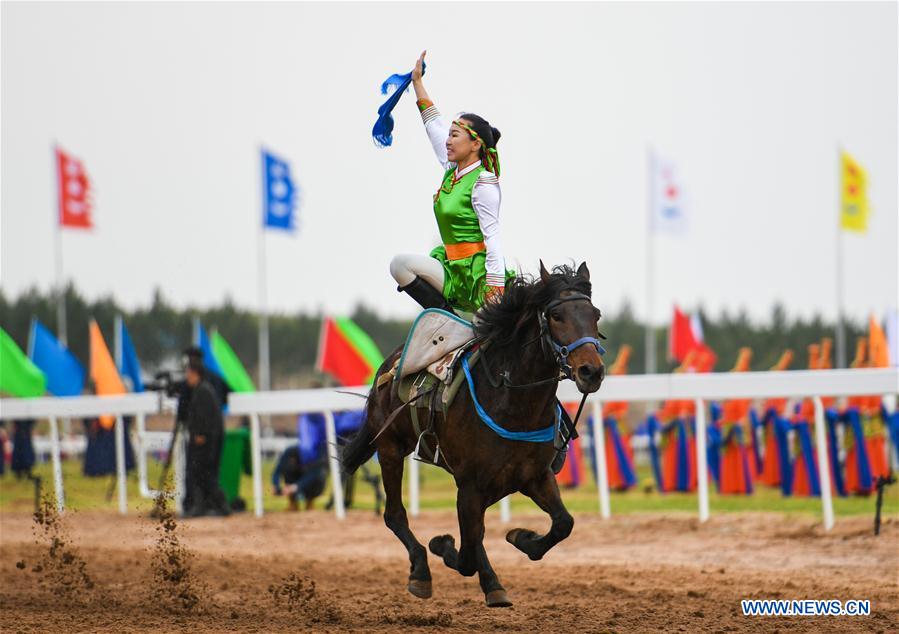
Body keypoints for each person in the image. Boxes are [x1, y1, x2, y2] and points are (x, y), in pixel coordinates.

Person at [389, 50, 512, 314]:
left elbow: (493, 239)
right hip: (452, 270)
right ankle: (448, 319)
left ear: (475, 144)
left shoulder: (483, 182)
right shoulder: (452, 168)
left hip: (481, 279)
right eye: (449, 135)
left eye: (454, 135)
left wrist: (496, 290)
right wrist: (418, 82)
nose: (448, 140)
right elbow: (433, 125)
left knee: (487, 342)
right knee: (399, 265)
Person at [182, 357, 230, 517]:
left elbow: (205, 417)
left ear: (195, 373)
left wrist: (200, 435)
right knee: (203, 474)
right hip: (209, 439)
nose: (186, 376)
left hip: (207, 441)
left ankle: (219, 507)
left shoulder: (203, 391)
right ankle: (207, 506)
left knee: (205, 474)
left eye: (188, 372)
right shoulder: (203, 389)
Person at [271, 444, 328, 511]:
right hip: (295, 478)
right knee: (288, 469)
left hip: (309, 481)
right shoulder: (289, 453)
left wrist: (295, 487)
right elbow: (277, 471)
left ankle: (309, 501)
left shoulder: (314, 454)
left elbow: (315, 474)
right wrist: (276, 485)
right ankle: (293, 503)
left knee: (319, 475)